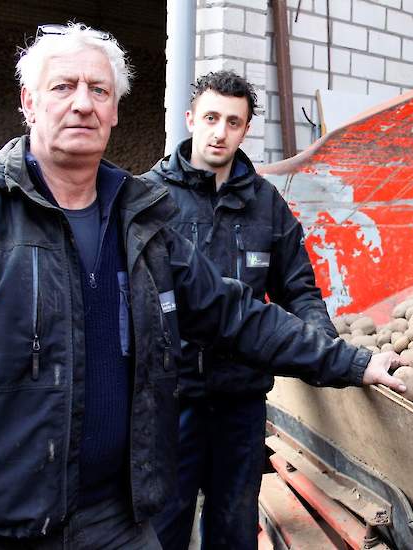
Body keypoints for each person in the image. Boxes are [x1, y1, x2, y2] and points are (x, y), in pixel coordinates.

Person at [0, 23, 405, 549]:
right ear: (28, 103)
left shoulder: (140, 222)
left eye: (99, 90)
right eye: (63, 87)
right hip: (0, 531)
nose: (83, 104)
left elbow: (234, 314)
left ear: (116, 111)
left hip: (117, 520)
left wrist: (354, 362)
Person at [143, 71, 341, 550]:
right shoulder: (151, 198)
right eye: (210, 118)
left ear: (245, 129)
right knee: (162, 528)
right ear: (191, 119)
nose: (219, 132)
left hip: (240, 402)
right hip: (171, 402)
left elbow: (300, 290)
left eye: (233, 122)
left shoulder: (266, 206)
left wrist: (327, 347)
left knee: (233, 529)